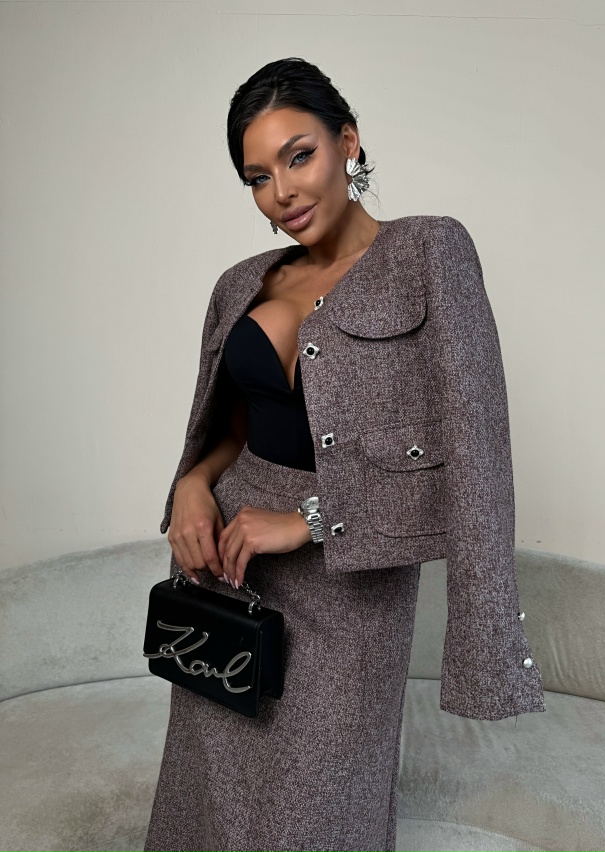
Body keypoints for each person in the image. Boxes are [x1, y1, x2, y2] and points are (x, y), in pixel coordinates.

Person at [143, 57, 545, 852]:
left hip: (349, 586)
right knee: (211, 802)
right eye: (258, 177)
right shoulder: (240, 283)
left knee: (318, 814)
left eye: (299, 156)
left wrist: (309, 519)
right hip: (226, 564)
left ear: (348, 143)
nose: (282, 192)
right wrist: (191, 483)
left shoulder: (429, 252)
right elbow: (231, 424)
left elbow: (474, 447)